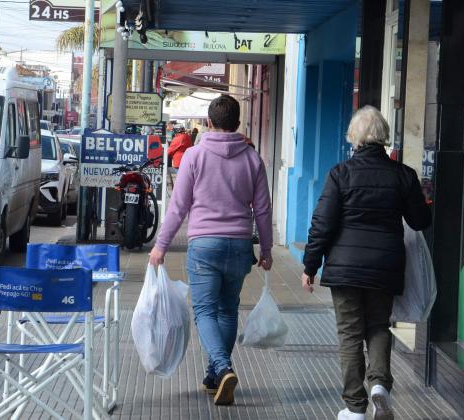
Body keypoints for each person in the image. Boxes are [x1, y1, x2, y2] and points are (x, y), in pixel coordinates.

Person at [301, 105, 431, 420]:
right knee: (378, 326)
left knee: (349, 333)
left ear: (355, 137)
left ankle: (355, 407)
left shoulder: (340, 174)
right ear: (383, 137)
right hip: (385, 266)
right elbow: (420, 221)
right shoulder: (403, 176)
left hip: (345, 268)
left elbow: (322, 224)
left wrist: (309, 266)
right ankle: (379, 386)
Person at [149, 94, 273, 406]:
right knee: (228, 310)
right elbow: (263, 210)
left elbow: (178, 207)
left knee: (204, 310)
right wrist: (267, 249)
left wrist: (161, 246)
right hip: (240, 245)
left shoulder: (194, 155)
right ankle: (213, 375)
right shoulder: (252, 159)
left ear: (208, 122)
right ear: (238, 125)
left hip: (204, 244)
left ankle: (222, 367)